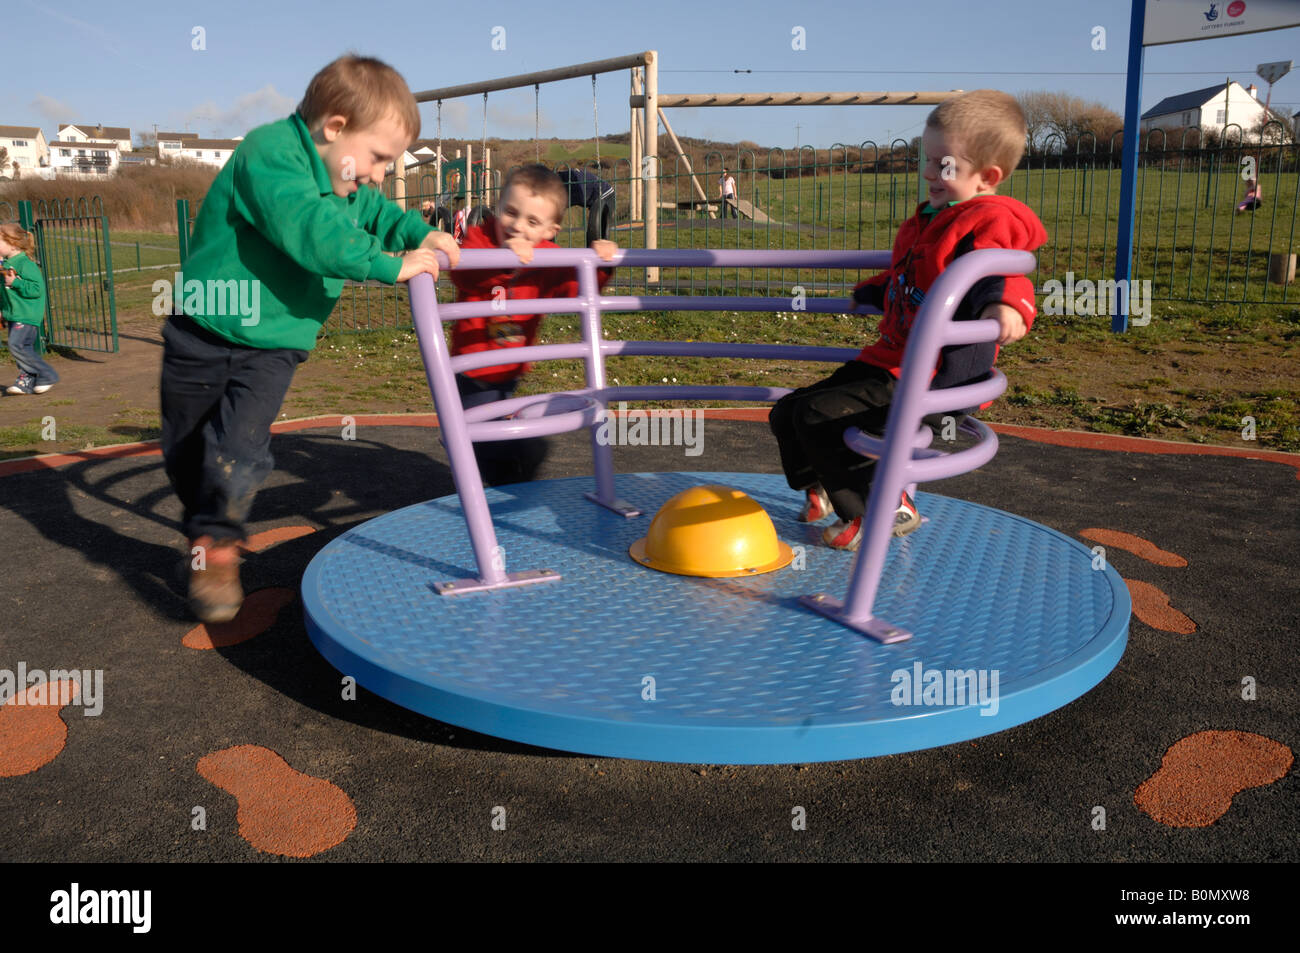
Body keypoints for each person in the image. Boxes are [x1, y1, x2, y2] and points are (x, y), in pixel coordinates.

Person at [159, 54, 459, 623]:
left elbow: (373, 209)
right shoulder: (269, 154)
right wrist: (387, 264)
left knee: (239, 445)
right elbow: (308, 230)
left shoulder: (343, 176)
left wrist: (421, 232)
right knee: (185, 448)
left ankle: (218, 545)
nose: (376, 174)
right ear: (336, 126)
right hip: (200, 328)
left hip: (274, 342)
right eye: (378, 157)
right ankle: (205, 531)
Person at [769, 89, 1048, 551]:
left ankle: (878, 509)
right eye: (928, 159)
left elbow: (996, 269)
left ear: (987, 176)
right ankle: (820, 487)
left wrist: (1006, 306)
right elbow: (913, 277)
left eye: (944, 165)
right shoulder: (930, 218)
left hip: (928, 374)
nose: (928, 173)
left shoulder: (986, 220)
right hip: (889, 359)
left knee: (820, 416)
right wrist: (874, 290)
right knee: (788, 411)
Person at [448, 163, 617, 485]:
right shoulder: (480, 239)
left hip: (510, 367)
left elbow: (578, 289)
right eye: (510, 212)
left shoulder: (548, 256)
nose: (517, 226)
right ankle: (506, 480)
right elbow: (462, 273)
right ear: (497, 209)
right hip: (472, 368)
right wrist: (504, 259)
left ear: (551, 230)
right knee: (484, 442)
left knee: (492, 435)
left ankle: (515, 464)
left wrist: (600, 262)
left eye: (533, 221)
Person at [1, 224, 56, 396]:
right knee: (23, 348)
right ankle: (26, 381)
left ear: (13, 243)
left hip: (26, 315)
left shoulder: (25, 264)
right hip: (15, 314)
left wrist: (16, 283)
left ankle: (47, 374)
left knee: (16, 345)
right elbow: (5, 292)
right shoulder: (7, 264)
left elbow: (37, 289)